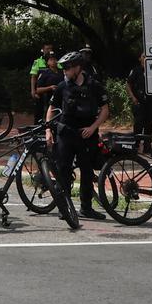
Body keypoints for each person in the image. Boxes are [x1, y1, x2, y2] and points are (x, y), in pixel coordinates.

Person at [47, 51, 107, 223]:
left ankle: (86, 208)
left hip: (87, 134)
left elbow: (105, 110)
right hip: (66, 133)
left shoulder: (94, 85)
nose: (64, 71)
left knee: (87, 172)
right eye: (64, 68)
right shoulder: (62, 86)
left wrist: (93, 127)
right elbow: (51, 109)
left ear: (78, 67)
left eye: (67, 68)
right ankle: (64, 208)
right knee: (63, 170)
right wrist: (48, 131)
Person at [125, 52, 152, 151]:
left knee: (149, 125)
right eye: (144, 56)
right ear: (140, 59)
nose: (146, 58)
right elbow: (128, 84)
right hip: (139, 103)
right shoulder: (136, 70)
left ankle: (147, 146)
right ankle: (135, 145)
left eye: (147, 57)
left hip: (151, 103)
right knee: (138, 125)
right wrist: (133, 98)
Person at [32, 53, 62, 124]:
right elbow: (38, 90)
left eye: (55, 59)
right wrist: (50, 88)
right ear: (48, 62)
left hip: (61, 100)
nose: (54, 61)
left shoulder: (62, 72)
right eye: (51, 60)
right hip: (49, 100)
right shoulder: (45, 73)